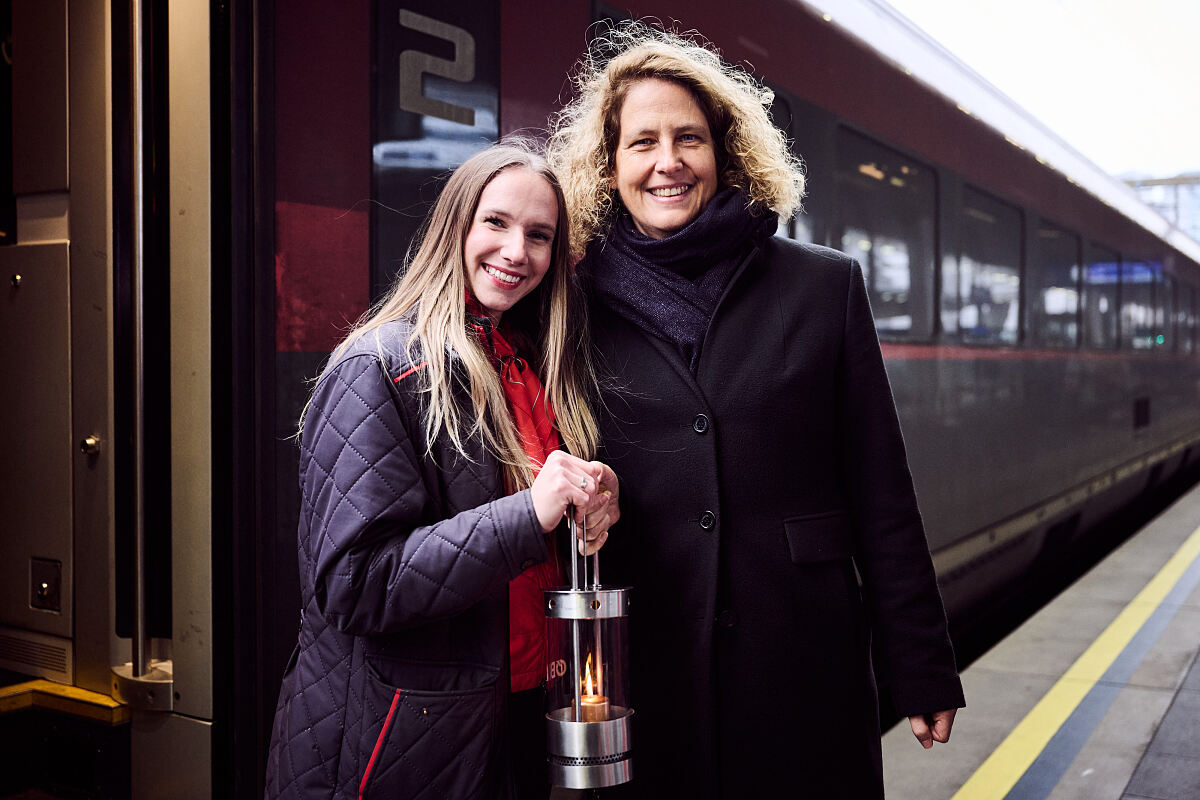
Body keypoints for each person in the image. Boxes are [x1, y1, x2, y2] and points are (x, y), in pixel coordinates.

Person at [546, 23, 964, 798]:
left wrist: (921, 665)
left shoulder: (823, 286)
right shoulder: (573, 304)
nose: (666, 162)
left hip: (802, 658)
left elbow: (882, 492)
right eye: (642, 143)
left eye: (688, 139)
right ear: (610, 168)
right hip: (646, 663)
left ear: (727, 153)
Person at [264, 142, 620, 800]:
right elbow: (355, 586)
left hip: (505, 719)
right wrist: (528, 512)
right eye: (496, 223)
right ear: (453, 226)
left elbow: (517, 541)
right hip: (397, 742)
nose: (517, 251)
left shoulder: (522, 365)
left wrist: (585, 509)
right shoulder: (380, 366)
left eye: (538, 235)